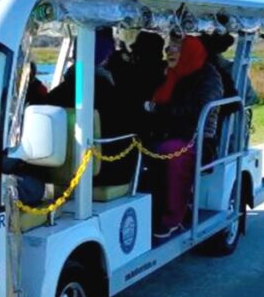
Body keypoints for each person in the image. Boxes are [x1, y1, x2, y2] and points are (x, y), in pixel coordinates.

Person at [143, 33, 224, 239]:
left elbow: (198, 111)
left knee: (173, 153)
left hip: (197, 138)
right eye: (168, 48)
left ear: (189, 52)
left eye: (176, 48)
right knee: (137, 145)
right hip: (166, 132)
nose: (169, 52)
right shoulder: (168, 74)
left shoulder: (208, 76)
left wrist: (159, 109)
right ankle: (147, 212)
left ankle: (172, 217)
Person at [45, 27, 140, 186]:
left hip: (56, 174)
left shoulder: (56, 95)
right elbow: (133, 125)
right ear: (106, 58)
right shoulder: (113, 96)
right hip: (105, 174)